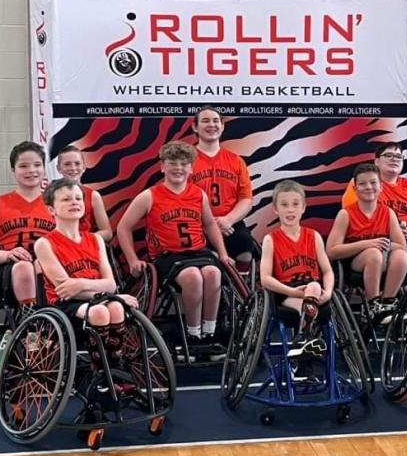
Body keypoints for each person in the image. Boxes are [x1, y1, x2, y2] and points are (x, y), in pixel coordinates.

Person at [117, 140, 231, 359]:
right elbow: (123, 228)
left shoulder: (198, 194)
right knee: (193, 278)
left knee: (213, 273)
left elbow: (209, 225)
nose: (178, 168)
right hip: (168, 257)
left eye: (184, 163)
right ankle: (192, 334)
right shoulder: (150, 196)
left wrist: (223, 253)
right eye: (172, 163)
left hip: (199, 252)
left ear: (191, 168)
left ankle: (209, 333)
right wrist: (132, 260)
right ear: (162, 167)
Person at [33, 178, 135, 337]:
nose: (74, 202)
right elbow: (67, 291)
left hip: (98, 298)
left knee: (116, 307)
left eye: (78, 198)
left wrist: (81, 283)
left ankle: (115, 360)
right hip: (66, 305)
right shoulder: (44, 244)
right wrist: (106, 294)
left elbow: (110, 284)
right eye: (66, 199)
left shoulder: (96, 239)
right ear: (51, 210)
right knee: (100, 311)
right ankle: (99, 361)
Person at [0, 141, 54, 306]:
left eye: (37, 165)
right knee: (24, 267)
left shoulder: (57, 204)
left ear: (44, 169)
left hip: (48, 268)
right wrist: (6, 255)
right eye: (23, 166)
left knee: (41, 266)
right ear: (13, 170)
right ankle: (29, 321)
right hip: (8, 271)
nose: (31, 170)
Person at [260, 180, 335, 358]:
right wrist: (292, 291)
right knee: (309, 301)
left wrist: (330, 292)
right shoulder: (271, 239)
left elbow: (327, 271)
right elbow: (265, 278)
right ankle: (306, 339)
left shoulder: (313, 236)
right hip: (286, 293)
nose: (290, 209)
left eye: (295, 204)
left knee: (314, 288)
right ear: (276, 209)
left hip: (312, 291)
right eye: (284, 205)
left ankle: (302, 343)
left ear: (303, 207)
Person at [326, 163, 407, 319]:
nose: (368, 187)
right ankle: (372, 304)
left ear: (381, 187)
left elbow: (401, 245)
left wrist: (384, 244)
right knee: (373, 254)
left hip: (383, 258)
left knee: (401, 256)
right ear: (355, 189)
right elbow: (331, 250)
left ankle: (388, 302)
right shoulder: (346, 214)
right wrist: (369, 243)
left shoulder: (388, 212)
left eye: (373, 183)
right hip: (355, 262)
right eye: (362, 184)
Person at [190, 106, 258, 269]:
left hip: (230, 222)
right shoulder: (186, 160)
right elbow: (180, 197)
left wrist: (228, 220)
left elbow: (246, 199)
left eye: (216, 121)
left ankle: (240, 290)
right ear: (195, 127)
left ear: (222, 126)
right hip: (197, 224)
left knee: (245, 246)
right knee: (208, 263)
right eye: (205, 121)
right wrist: (208, 225)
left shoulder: (235, 160)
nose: (211, 125)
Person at [341, 142, 407, 248]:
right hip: (375, 242)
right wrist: (394, 231)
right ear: (377, 161)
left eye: (398, 156)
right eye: (388, 155)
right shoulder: (364, 184)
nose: (394, 159)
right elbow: (354, 218)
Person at [55, 145, 113, 243]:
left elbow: (107, 232)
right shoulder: (50, 195)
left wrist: (82, 240)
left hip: (85, 250)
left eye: (77, 163)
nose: (73, 168)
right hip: (57, 248)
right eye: (67, 164)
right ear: (58, 168)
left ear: (84, 167)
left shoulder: (93, 196)